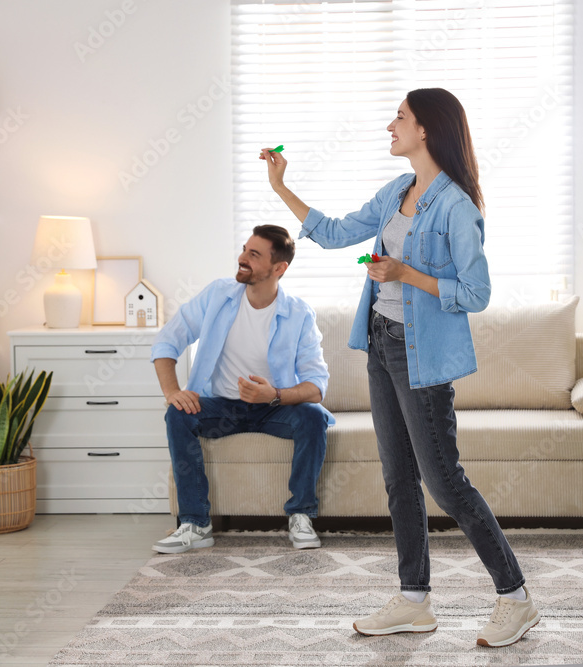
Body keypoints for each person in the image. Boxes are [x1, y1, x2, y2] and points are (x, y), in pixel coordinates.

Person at [259, 88, 540, 648]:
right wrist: (280, 186)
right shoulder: (399, 191)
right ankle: (415, 599)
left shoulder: (458, 206)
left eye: (400, 118)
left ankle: (516, 598)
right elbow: (338, 232)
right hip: (380, 343)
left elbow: (477, 292)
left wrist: (405, 274)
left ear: (427, 130)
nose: (391, 126)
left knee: (445, 482)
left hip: (422, 354)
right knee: (398, 480)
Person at [150, 225, 333, 554]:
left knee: (313, 417)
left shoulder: (298, 314)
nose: (242, 258)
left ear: (279, 269)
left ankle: (301, 515)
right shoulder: (218, 295)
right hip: (221, 406)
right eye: (244, 250)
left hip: (274, 408)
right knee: (177, 414)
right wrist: (172, 391)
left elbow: (316, 385)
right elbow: (168, 339)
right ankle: (195, 524)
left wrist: (274, 395)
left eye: (254, 254)